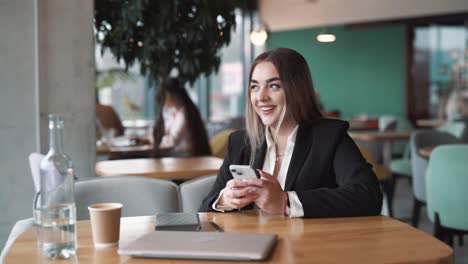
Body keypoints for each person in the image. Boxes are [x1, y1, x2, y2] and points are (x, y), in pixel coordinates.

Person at [199, 48, 382, 218]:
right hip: (251, 246)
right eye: (254, 86)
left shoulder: (329, 136)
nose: (261, 97)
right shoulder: (240, 142)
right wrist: (225, 200)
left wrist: (285, 202)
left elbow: (369, 195)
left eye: (274, 86)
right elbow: (205, 208)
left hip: (308, 246)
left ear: (297, 90)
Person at [160, 78, 211, 157]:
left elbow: (173, 141)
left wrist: (156, 140)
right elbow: (166, 131)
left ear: (170, 94)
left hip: (186, 156)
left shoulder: (183, 114)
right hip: (183, 154)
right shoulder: (177, 112)